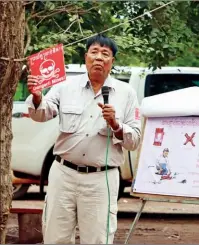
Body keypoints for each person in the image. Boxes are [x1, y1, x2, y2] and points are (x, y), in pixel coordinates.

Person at [25, 34, 141, 244]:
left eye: (105, 54)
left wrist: (116, 125)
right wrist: (36, 97)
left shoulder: (127, 93)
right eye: (94, 52)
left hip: (101, 179)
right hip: (63, 174)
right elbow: (41, 114)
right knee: (55, 237)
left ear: (112, 62)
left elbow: (134, 141)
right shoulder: (64, 87)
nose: (99, 58)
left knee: (97, 238)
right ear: (86, 56)